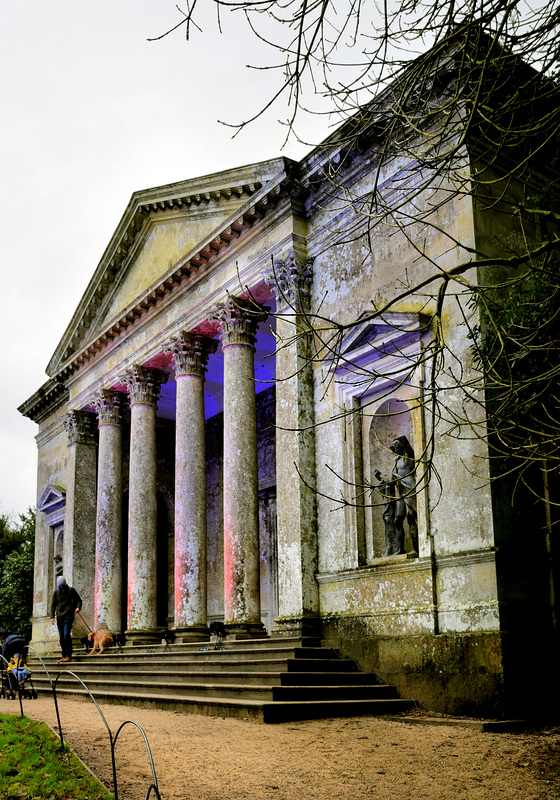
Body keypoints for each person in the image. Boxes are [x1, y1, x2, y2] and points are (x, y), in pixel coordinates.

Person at [50, 576, 82, 663]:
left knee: (66, 634)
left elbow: (79, 600)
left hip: (68, 615)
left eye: (62, 585)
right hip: (60, 617)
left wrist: (78, 608)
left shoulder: (70, 590)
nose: (61, 587)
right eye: (60, 585)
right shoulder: (56, 592)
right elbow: (53, 605)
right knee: (61, 637)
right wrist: (52, 617)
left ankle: (68, 655)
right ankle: (64, 655)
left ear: (65, 583)